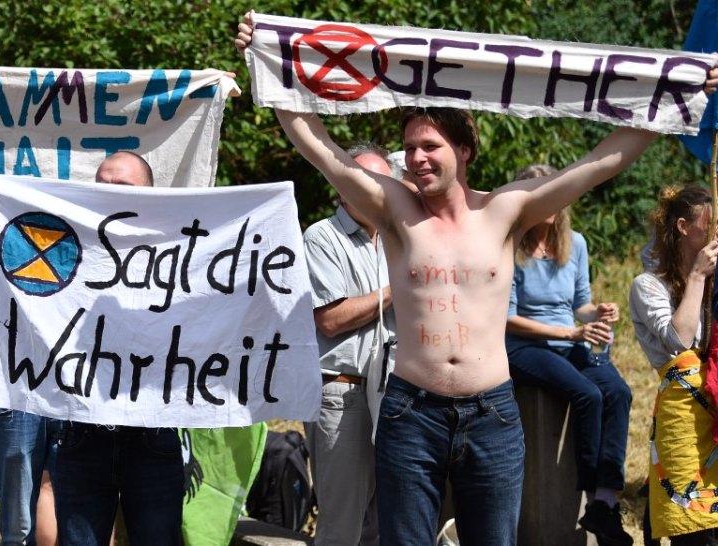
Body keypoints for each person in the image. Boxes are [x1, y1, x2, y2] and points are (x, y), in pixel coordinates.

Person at [235, 16, 718, 545]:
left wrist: (672, 102)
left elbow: (597, 164)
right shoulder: (397, 209)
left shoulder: (504, 210)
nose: (416, 158)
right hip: (410, 410)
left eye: (430, 146)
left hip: (491, 412)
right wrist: (270, 65)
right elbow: (320, 149)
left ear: (464, 151)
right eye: (411, 147)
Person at [0, 151, 184, 546]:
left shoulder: (181, 251)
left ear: (151, 194)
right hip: (83, 434)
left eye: (123, 186)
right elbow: (6, 263)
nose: (109, 192)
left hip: (152, 433)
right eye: (102, 183)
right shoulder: (62, 243)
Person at [505, 165, 632, 546]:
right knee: (588, 394)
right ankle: (590, 495)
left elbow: (581, 304)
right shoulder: (508, 246)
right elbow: (507, 319)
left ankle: (603, 504)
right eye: (539, 193)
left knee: (618, 392)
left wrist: (601, 312)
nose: (548, 201)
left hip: (569, 340)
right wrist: (570, 331)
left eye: (554, 192)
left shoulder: (574, 243)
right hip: (523, 347)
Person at [302, 142, 399, 546]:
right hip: (344, 394)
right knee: (341, 529)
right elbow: (330, 318)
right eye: (366, 182)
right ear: (341, 188)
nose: (377, 192)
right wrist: (399, 288)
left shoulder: (398, 238)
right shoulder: (322, 237)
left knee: (382, 524)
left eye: (384, 184)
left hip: (395, 393)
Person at [630, 186, 718, 544]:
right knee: (694, 530)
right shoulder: (648, 285)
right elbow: (678, 340)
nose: (715, 233)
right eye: (709, 225)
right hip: (682, 418)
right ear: (683, 227)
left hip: (715, 410)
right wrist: (697, 277)